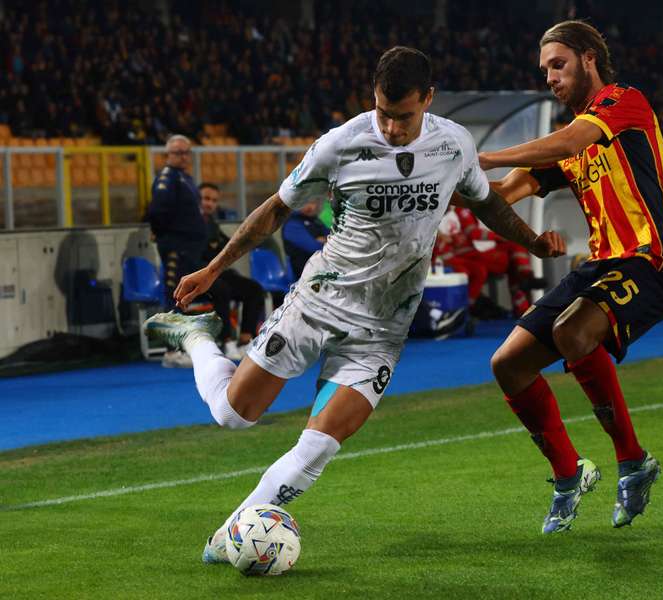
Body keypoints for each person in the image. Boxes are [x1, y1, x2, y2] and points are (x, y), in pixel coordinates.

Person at [144, 46, 565, 560]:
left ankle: (228, 536)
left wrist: (534, 242)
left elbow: (487, 202)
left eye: (404, 116)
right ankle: (198, 338)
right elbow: (278, 208)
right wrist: (214, 268)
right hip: (319, 302)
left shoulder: (454, 145)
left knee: (317, 447)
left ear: (428, 100)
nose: (391, 127)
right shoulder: (340, 144)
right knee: (234, 414)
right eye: (384, 113)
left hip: (384, 329)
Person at [477, 20, 663, 533]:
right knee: (508, 364)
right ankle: (569, 475)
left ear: (589, 58)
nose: (549, 76)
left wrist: (481, 154)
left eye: (558, 64)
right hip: (601, 264)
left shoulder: (623, 103)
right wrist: (449, 182)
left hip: (652, 259)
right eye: (544, 69)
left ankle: (633, 462)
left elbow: (570, 140)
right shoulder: (569, 144)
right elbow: (500, 196)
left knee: (573, 331)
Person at [145, 134, 206, 368]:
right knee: (175, 296)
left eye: (186, 152)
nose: (183, 156)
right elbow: (157, 212)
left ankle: (181, 346)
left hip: (189, 247)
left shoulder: (184, 178)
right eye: (178, 152)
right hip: (176, 247)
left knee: (183, 296)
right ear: (167, 155)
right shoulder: (167, 179)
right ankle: (171, 351)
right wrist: (169, 237)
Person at [433, 206, 545, 318]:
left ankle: (523, 299)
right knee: (513, 261)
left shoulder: (459, 209)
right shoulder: (446, 213)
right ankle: (525, 285)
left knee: (515, 252)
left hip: (475, 251)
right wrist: (498, 237)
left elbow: (471, 232)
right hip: (466, 254)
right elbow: (473, 233)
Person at [199, 183, 266, 359]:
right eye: (206, 198)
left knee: (254, 289)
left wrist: (249, 239)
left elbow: (227, 246)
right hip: (197, 277)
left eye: (214, 200)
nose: (209, 204)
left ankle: (246, 339)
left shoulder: (212, 224)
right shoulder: (188, 223)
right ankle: (226, 340)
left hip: (215, 274)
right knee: (222, 289)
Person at [282, 198, 330, 279]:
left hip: (321, 269)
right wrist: (325, 240)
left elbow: (333, 236)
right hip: (302, 275)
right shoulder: (292, 224)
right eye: (305, 203)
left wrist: (323, 240)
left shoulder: (314, 220)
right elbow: (316, 248)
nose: (310, 207)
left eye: (313, 202)